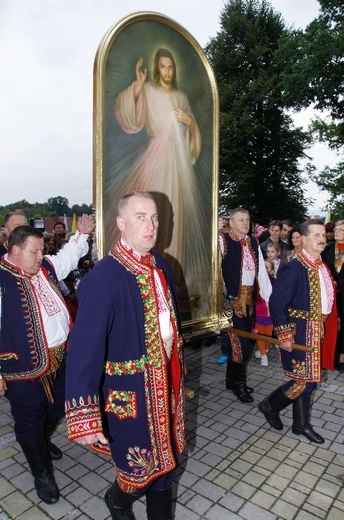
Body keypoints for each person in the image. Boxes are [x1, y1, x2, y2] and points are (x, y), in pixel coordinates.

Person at [64, 192, 185, 520]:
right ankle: (117, 501)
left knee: (166, 465)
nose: (151, 225)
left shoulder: (161, 264)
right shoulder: (103, 279)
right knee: (139, 469)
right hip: (130, 395)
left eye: (155, 217)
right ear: (120, 223)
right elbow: (83, 352)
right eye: (141, 216)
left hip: (166, 384)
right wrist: (83, 414)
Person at [0, 215, 95, 504]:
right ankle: (42, 474)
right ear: (15, 250)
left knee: (59, 404)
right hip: (22, 367)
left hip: (61, 357)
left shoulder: (44, 268)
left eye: (42, 251)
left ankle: (42, 441)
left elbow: (65, 258)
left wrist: (81, 235)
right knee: (28, 422)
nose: (42, 257)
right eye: (35, 252)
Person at [109, 48, 210, 318]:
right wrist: (138, 88)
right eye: (163, 67)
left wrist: (189, 122)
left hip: (180, 164)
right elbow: (133, 119)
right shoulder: (150, 91)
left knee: (178, 221)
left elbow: (192, 137)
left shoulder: (181, 96)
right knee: (156, 216)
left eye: (171, 67)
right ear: (157, 68)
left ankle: (172, 283)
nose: (167, 72)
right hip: (158, 157)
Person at [258, 219, 336, 444]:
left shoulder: (320, 265)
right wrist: (284, 335)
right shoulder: (294, 268)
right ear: (303, 239)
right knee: (304, 382)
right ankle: (270, 406)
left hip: (315, 330)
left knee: (307, 379)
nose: (321, 239)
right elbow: (276, 303)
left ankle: (300, 424)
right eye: (316, 235)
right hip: (299, 331)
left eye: (323, 235)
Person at [219, 208, 272, 403]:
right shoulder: (222, 240)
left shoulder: (253, 241)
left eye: (247, 219)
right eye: (240, 220)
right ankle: (239, 385)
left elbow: (260, 272)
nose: (245, 223)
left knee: (242, 342)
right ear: (231, 222)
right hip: (231, 301)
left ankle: (231, 380)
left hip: (248, 300)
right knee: (240, 344)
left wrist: (267, 296)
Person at [322, 220, 344, 371]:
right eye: (336, 229)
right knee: (332, 324)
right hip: (330, 295)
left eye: (341, 230)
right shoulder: (327, 250)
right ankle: (331, 355)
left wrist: (339, 283)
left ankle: (342, 358)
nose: (336, 231)